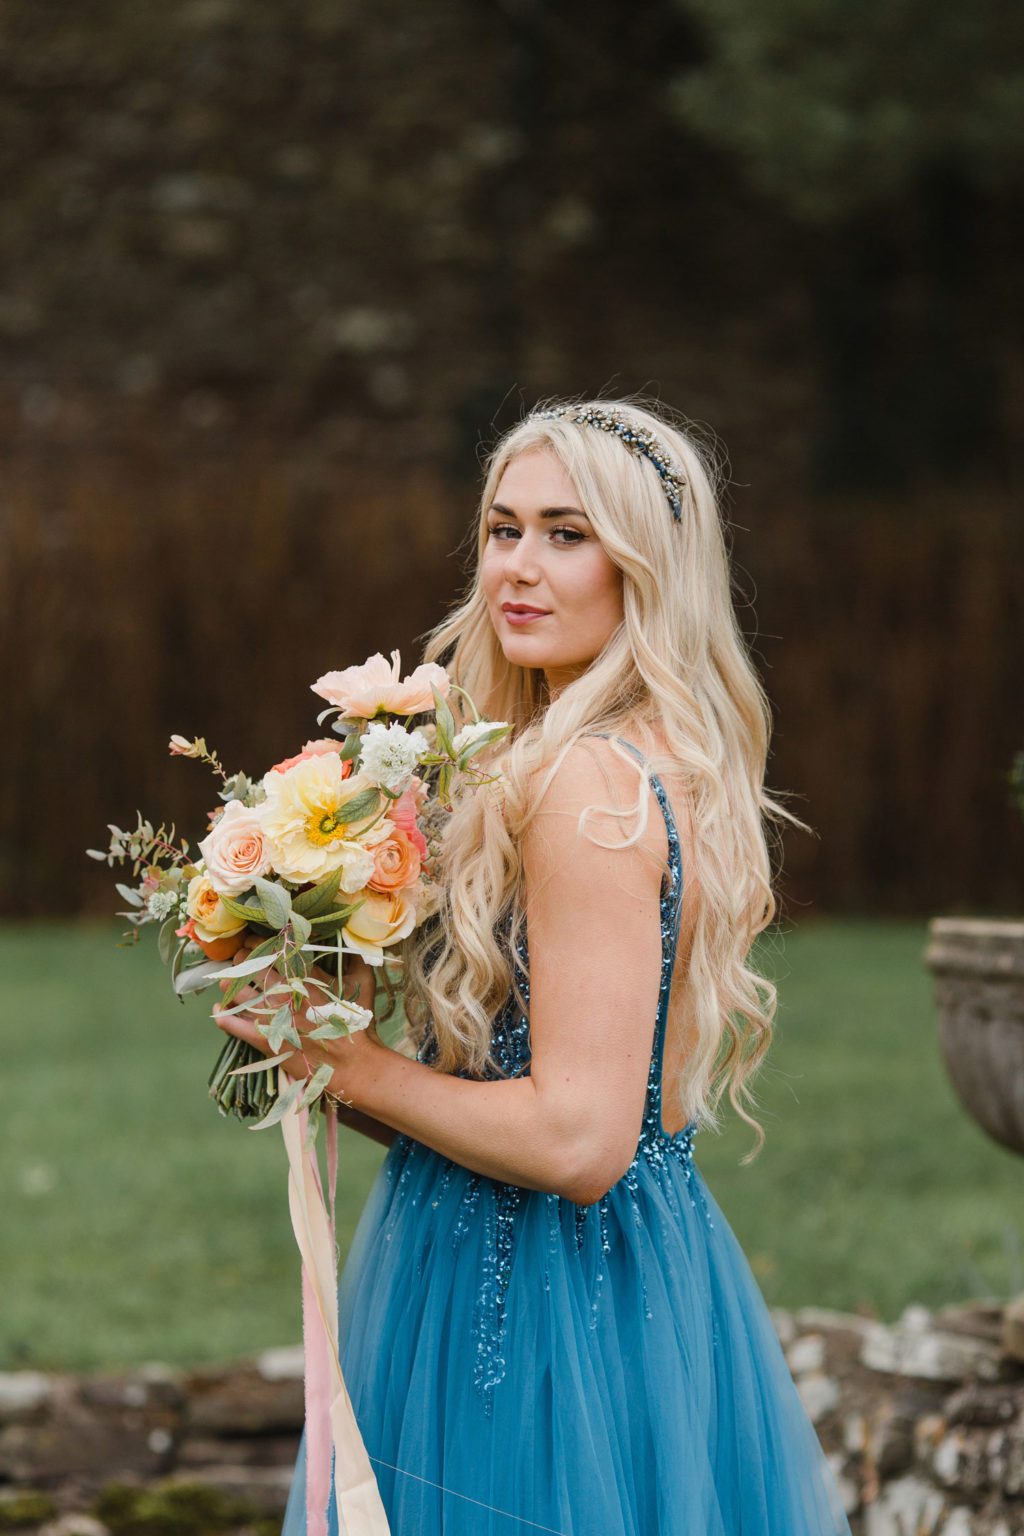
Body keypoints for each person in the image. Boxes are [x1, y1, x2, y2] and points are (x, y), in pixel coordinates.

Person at [216, 399, 852, 1535]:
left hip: (538, 1306)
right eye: (503, 529)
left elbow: (578, 1140)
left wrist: (351, 1066)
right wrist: (312, 1033)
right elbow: (529, 1102)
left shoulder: (586, 787)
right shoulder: (638, 758)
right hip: (614, 1271)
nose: (518, 566)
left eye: (567, 534)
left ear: (645, 566)